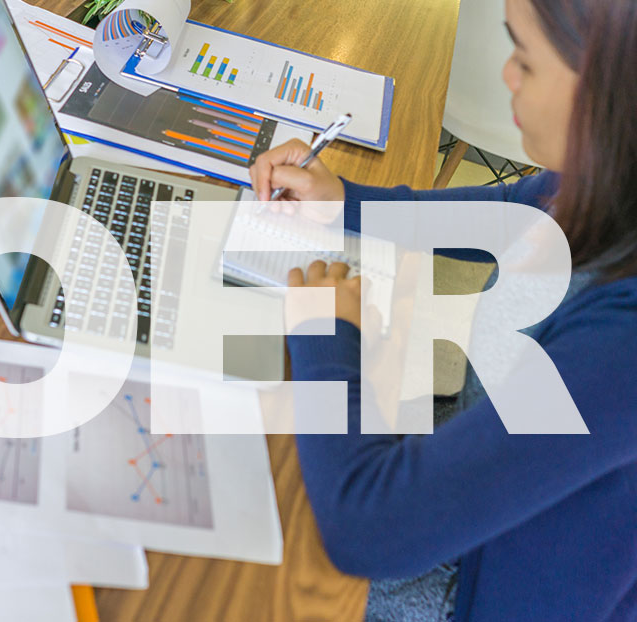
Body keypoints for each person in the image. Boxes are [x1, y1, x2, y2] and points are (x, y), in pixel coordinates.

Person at [248, 0, 637, 620]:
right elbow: (510, 213)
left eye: (526, 61)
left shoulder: (622, 344)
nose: (508, 74)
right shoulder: (603, 180)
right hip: (465, 486)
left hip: (467, 590)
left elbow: (366, 531)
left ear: (610, 94)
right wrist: (343, 202)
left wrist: (326, 331)